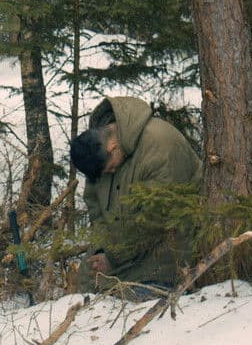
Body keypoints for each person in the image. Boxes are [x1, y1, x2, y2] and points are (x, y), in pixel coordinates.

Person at [69, 96, 202, 299]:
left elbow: (156, 218)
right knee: (81, 297)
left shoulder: (160, 145)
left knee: (120, 307)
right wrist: (101, 250)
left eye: (111, 169)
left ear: (112, 147)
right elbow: (96, 209)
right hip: (123, 251)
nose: (111, 173)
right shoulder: (97, 151)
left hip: (167, 250)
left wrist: (112, 257)